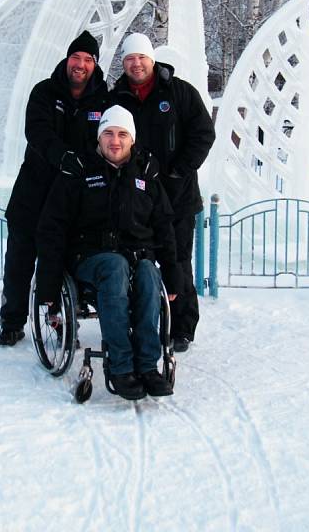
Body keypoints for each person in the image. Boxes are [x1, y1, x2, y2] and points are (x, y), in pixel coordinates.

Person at [35, 105, 182, 401]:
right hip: (89, 258)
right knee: (114, 266)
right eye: (109, 134)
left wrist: (174, 275)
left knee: (147, 272)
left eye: (122, 134)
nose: (115, 141)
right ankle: (121, 365)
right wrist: (48, 284)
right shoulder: (78, 170)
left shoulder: (147, 173)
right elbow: (52, 226)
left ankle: (147, 366)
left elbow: (165, 227)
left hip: (136, 257)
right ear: (99, 137)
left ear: (132, 140)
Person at [0, 30, 108, 346]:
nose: (81, 65)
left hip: (70, 200)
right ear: (67, 59)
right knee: (20, 261)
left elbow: (104, 139)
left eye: (88, 60)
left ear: (94, 64)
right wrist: (63, 157)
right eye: (76, 57)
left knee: (60, 261)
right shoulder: (45, 92)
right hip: (32, 194)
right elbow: (37, 130)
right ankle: (12, 322)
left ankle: (58, 320)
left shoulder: (103, 97)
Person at [110, 33, 215, 352]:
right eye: (129, 59)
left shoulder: (179, 92)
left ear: (151, 60)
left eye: (141, 57)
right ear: (124, 64)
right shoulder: (118, 97)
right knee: (135, 261)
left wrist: (178, 169)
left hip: (177, 195)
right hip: (137, 197)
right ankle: (138, 318)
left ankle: (181, 326)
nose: (136, 64)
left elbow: (203, 134)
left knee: (178, 260)